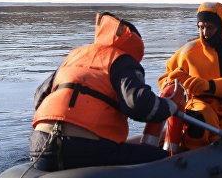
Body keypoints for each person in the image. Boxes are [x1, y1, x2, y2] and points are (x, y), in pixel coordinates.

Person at [29, 12, 179, 171]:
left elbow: (39, 97)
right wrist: (170, 106)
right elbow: (139, 105)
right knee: (161, 159)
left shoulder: (75, 55)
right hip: (84, 150)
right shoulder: (122, 60)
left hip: (40, 145)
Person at [158, 2, 222, 151]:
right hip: (199, 106)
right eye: (201, 27)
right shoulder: (188, 51)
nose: (205, 32)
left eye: (210, 27)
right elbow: (165, 78)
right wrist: (175, 84)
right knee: (200, 118)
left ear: (221, 26)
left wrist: (209, 86)